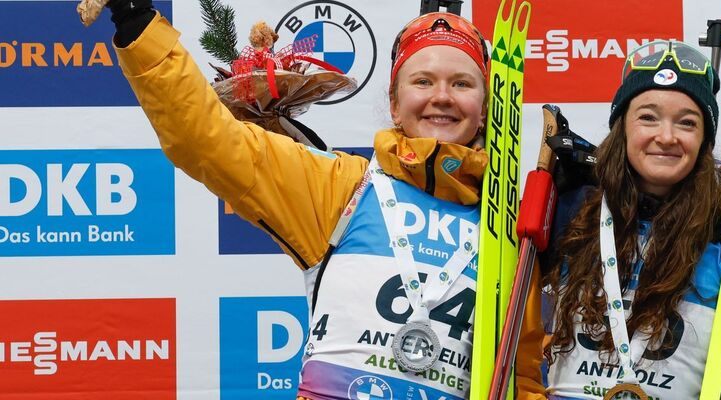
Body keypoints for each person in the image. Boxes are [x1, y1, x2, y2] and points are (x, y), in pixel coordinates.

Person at [95, 1, 544, 398]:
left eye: (462, 84)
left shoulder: (505, 229)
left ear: (487, 106)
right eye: (422, 81)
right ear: (393, 102)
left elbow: (521, 381)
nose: (441, 97)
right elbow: (207, 141)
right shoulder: (341, 187)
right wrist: (140, 29)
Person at [527, 41, 721, 399]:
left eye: (687, 123)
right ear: (621, 127)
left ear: (705, 139)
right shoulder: (571, 212)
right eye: (648, 117)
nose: (667, 136)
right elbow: (507, 336)